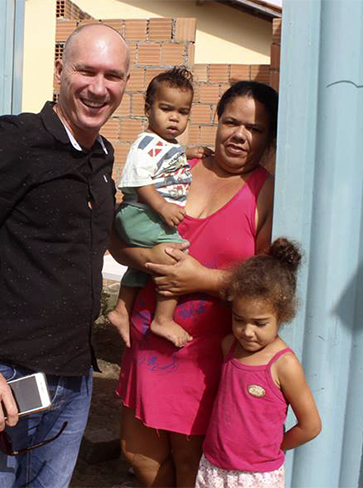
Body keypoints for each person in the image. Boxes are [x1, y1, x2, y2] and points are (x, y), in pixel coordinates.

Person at [0, 23, 129, 487]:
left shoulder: (102, 155)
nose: (98, 87)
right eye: (86, 70)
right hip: (4, 376)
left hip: (73, 378)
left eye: (112, 75)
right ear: (60, 70)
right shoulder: (16, 140)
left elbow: (87, 237)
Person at [110, 81, 279, 487]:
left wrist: (200, 278)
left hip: (204, 352)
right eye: (231, 122)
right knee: (137, 453)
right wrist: (148, 262)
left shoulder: (266, 191)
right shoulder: (179, 163)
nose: (239, 134)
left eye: (254, 129)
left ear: (268, 139)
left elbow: (266, 285)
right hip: (149, 335)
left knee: (190, 462)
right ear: (217, 122)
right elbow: (118, 237)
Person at [196, 238, 321, 488]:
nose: (247, 331)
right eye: (239, 319)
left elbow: (311, 425)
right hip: (214, 467)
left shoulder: (284, 365)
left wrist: (274, 447)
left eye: (260, 323)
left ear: (282, 315)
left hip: (258, 476)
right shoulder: (228, 346)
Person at [108, 66, 197, 349]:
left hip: (144, 214)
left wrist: (188, 152)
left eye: (182, 112)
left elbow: (166, 161)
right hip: (141, 212)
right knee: (173, 256)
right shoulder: (144, 144)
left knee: (144, 268)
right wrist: (162, 208)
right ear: (148, 109)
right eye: (166, 108)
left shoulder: (164, 144)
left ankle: (122, 310)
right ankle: (162, 319)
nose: (174, 117)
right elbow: (138, 181)